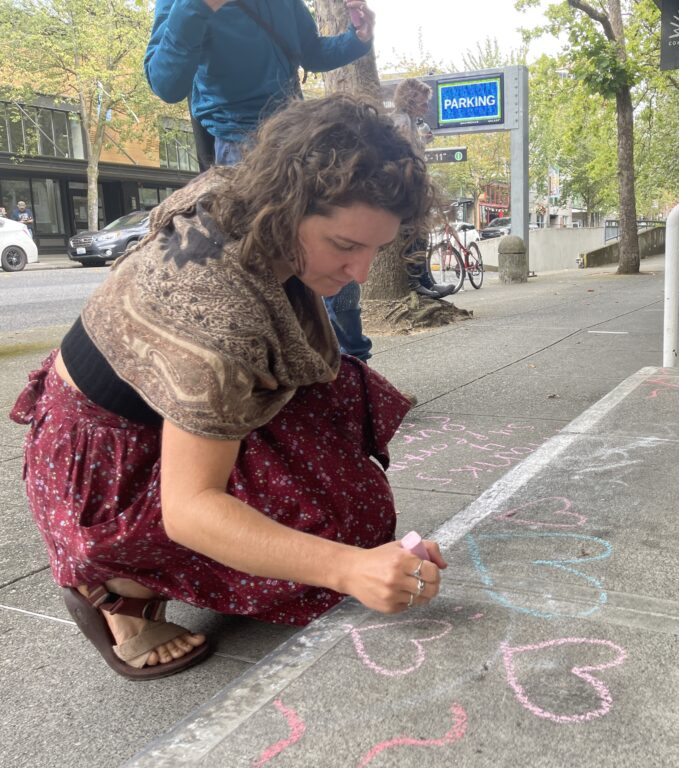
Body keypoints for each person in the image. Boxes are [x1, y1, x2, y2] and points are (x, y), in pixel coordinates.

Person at [10, 95, 447, 680]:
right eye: (345, 246)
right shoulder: (215, 310)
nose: (361, 273)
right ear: (289, 207)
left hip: (157, 409)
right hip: (103, 463)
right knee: (339, 538)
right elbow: (191, 511)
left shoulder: (243, 195)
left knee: (351, 496)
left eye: (376, 248)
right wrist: (348, 568)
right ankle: (118, 587)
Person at [144, 0, 377, 361]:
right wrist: (198, 6)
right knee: (260, 270)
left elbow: (310, 52)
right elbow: (166, 82)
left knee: (330, 251)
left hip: (297, 138)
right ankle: (264, 369)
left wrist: (356, 39)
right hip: (240, 148)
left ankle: (349, 364)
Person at [390, 78, 455, 299]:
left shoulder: (411, 122)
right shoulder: (401, 122)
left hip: (414, 185)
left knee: (422, 233)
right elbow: (402, 155)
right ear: (410, 100)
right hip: (408, 187)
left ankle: (423, 278)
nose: (427, 107)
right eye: (423, 102)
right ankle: (414, 281)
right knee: (414, 233)